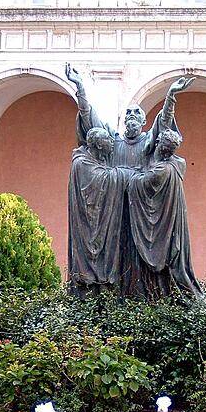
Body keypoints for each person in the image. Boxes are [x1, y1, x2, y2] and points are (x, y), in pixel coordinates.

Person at [65, 63, 194, 169]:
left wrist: (170, 96)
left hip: (141, 195)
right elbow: (88, 117)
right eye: (128, 112)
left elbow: (164, 120)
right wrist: (80, 88)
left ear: (144, 121)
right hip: (115, 195)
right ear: (124, 120)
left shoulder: (148, 141)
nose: (132, 114)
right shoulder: (113, 141)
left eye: (136, 112)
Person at [127, 129, 202, 299]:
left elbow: (135, 184)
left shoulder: (161, 171)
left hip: (165, 225)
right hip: (175, 220)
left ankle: (177, 298)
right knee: (175, 259)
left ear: (161, 145)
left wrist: (130, 175)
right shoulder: (179, 163)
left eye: (160, 144)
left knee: (167, 260)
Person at [67, 127, 134, 297]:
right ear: (98, 144)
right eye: (107, 140)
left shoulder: (96, 161)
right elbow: (99, 181)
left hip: (102, 221)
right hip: (88, 224)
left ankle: (104, 291)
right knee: (90, 259)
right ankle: (91, 293)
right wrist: (124, 175)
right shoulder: (82, 162)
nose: (112, 143)